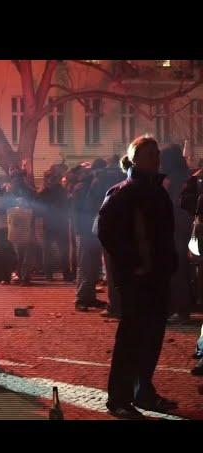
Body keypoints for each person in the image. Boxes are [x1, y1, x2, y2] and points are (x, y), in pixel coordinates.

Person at [97, 135, 179, 419]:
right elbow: (107, 232)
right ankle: (119, 398)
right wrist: (133, 264)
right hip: (136, 278)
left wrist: (168, 261)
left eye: (157, 153)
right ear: (134, 159)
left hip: (156, 275)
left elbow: (164, 233)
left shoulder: (157, 191)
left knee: (152, 337)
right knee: (131, 338)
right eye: (150, 154)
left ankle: (143, 390)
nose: (156, 158)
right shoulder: (123, 192)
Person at [88, 154, 126, 318]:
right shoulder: (127, 179)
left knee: (110, 268)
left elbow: (90, 203)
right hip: (125, 227)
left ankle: (114, 306)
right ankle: (125, 305)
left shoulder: (99, 179)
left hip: (106, 226)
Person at [160, 144, 194, 323]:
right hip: (188, 225)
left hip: (176, 226)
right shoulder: (187, 176)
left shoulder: (170, 179)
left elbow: (170, 204)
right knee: (184, 268)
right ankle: (183, 308)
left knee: (176, 268)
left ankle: (180, 310)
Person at [72, 161, 107, 312]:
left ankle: (89, 297)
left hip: (91, 229)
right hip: (85, 230)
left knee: (92, 265)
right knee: (85, 265)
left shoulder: (89, 186)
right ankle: (81, 298)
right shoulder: (83, 187)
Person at [37, 169, 70, 281]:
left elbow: (39, 209)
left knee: (48, 251)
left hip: (50, 223)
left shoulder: (43, 192)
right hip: (59, 223)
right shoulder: (62, 191)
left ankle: (49, 275)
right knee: (61, 250)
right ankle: (65, 274)